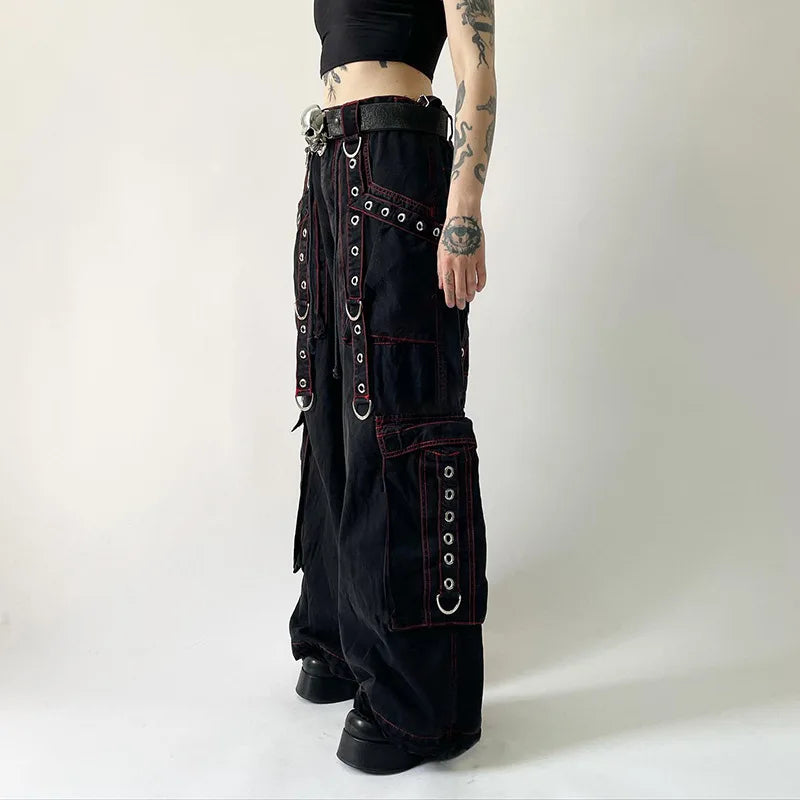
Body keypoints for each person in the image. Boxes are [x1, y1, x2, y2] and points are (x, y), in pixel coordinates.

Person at [288, 0, 497, 775]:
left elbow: (478, 73)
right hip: (328, 161)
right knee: (328, 402)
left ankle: (420, 703)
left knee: (397, 410)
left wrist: (464, 208)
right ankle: (341, 635)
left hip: (394, 160)